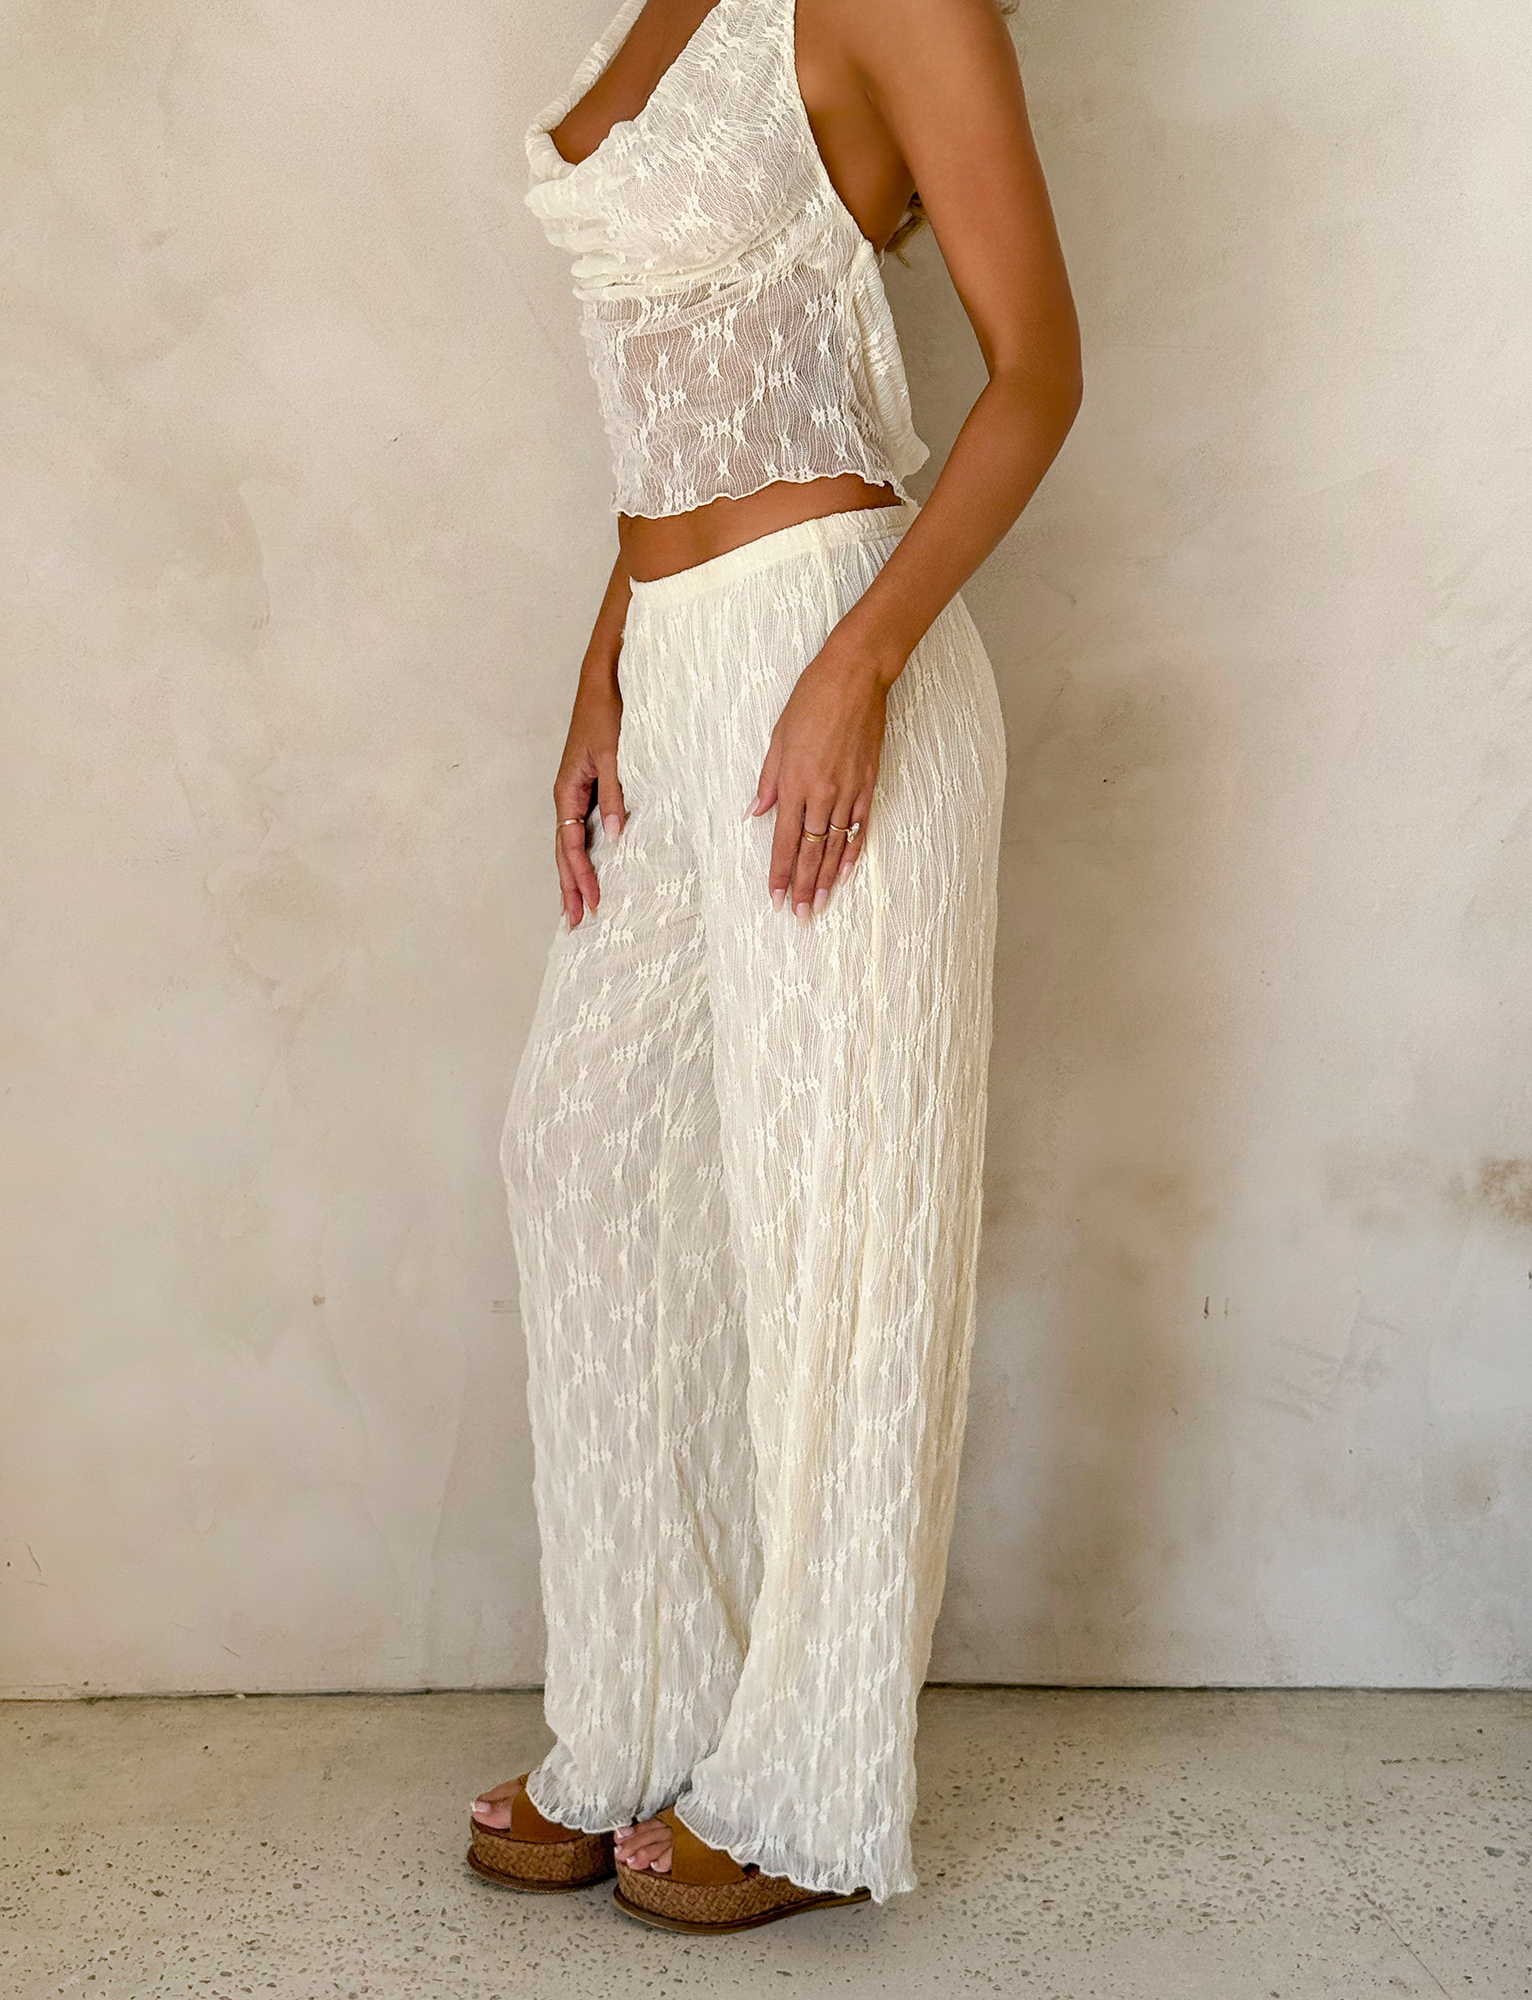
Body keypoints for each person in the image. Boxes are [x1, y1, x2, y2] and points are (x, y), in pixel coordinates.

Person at [467, 0, 1081, 1934]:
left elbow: (1040, 372)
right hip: (674, 659)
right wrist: (607, 667)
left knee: (836, 1223)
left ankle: (809, 1783)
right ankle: (642, 1716)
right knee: (588, 1156)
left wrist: (863, 660)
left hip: (835, 648)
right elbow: (688, 396)